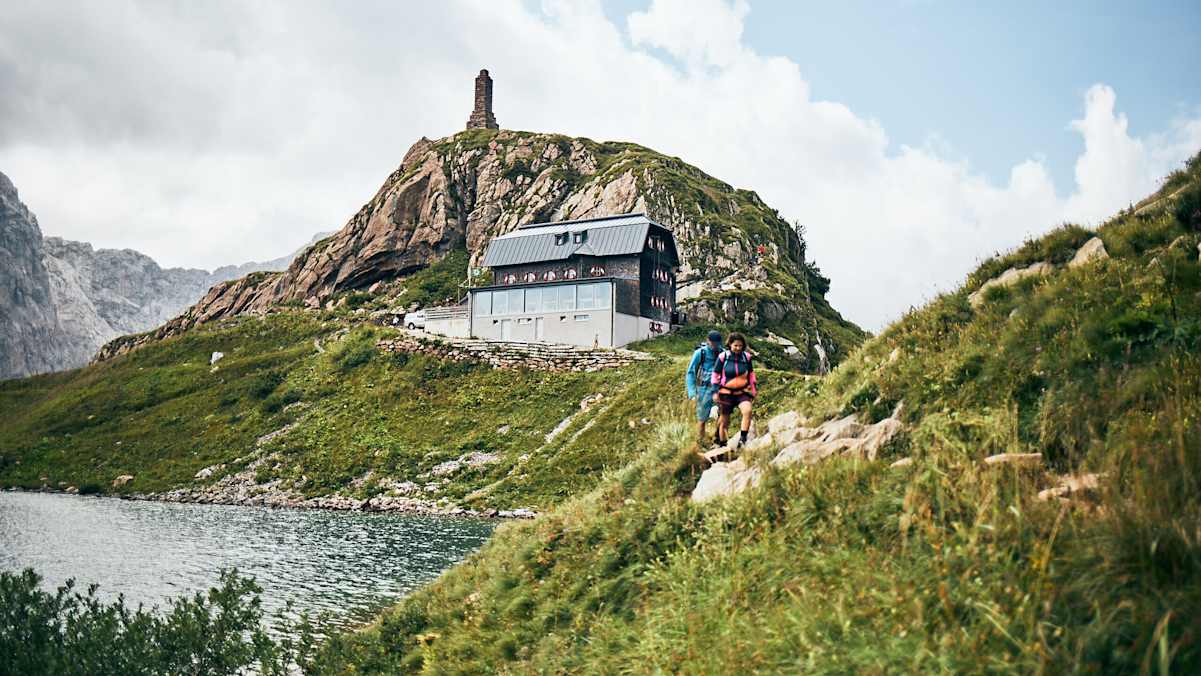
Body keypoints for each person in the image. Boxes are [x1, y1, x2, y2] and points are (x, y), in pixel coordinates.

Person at [711, 332, 757, 448]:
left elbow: (751, 374)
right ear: (730, 345)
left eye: (740, 346)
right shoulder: (723, 357)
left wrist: (753, 388)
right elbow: (715, 375)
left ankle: (743, 439)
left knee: (747, 411)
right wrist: (715, 391)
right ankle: (722, 444)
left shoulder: (746, 357)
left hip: (742, 392)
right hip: (725, 393)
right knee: (724, 421)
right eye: (735, 345)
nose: (738, 348)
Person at [685, 330, 724, 445]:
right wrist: (692, 393)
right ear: (708, 341)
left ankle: (718, 439)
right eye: (712, 343)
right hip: (703, 389)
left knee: (723, 414)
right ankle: (700, 442)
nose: (715, 346)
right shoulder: (700, 353)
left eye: (717, 343)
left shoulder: (724, 354)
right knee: (702, 418)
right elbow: (690, 373)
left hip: (719, 389)